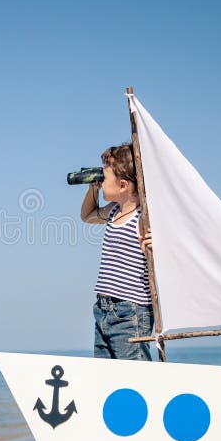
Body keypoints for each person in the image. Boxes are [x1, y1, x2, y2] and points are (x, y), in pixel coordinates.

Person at [80, 142, 154, 360]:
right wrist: (92, 187)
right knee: (107, 376)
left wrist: (155, 246)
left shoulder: (143, 217)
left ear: (123, 185)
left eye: (103, 178)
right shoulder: (114, 212)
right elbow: (87, 215)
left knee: (134, 376)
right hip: (103, 308)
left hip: (130, 311)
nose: (101, 182)